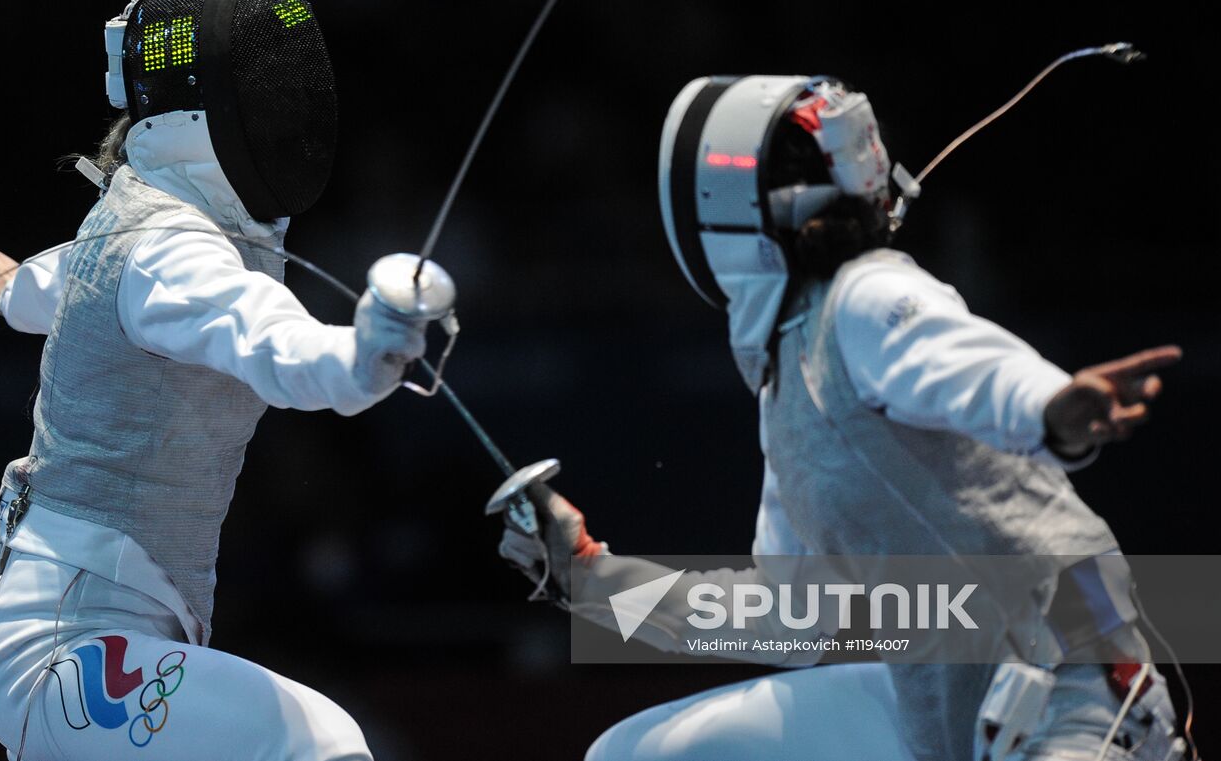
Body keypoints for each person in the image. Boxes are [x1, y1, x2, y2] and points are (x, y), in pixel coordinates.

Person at [499, 75, 1188, 761]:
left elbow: (961, 361)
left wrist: (1049, 406)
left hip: (1079, 701)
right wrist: (591, 577)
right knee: (632, 753)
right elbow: (784, 619)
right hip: (967, 725)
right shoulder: (789, 395)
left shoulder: (866, 294)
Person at [0, 0, 442, 761]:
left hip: (96, 631)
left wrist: (10, 288)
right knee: (318, 743)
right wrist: (370, 351)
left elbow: (72, 285)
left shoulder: (139, 220)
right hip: (58, 650)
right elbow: (285, 353)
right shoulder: (172, 250)